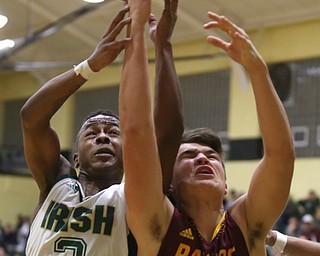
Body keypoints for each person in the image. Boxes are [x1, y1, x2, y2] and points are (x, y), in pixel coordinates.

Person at [122, 9, 295, 256]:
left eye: (213, 157)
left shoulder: (245, 225)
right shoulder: (158, 223)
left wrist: (257, 70)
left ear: (225, 185)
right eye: (188, 156)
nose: (202, 158)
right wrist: (136, 30)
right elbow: (136, 132)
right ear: (169, 184)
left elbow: (281, 156)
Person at [20, 1, 183, 255]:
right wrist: (89, 66)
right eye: (92, 133)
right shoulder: (56, 180)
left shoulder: (136, 199)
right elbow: (31, 118)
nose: (103, 137)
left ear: (128, 155)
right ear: (75, 157)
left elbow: (169, 134)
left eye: (113, 132)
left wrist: (163, 46)